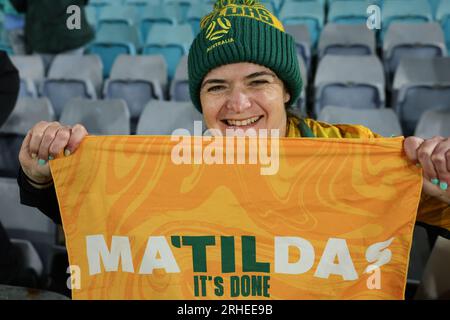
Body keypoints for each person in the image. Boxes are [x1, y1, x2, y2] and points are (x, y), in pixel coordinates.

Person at [17, 0, 450, 242]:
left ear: (285, 90)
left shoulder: (352, 153)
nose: (237, 104)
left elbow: (437, 214)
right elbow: (103, 221)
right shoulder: (171, 165)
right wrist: (43, 176)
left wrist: (446, 186)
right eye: (217, 87)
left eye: (258, 81)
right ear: (200, 100)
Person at [9, 0, 94, 72]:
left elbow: (20, 5)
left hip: (42, 37)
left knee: (47, 86)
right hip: (73, 34)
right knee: (70, 84)